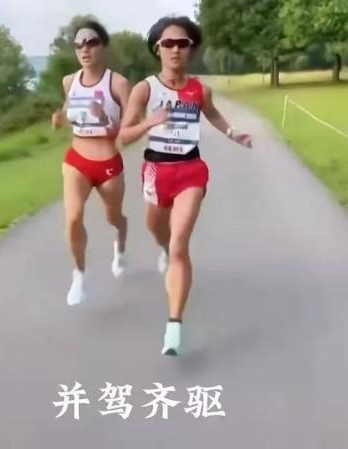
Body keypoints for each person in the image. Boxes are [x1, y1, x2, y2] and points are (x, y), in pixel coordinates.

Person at [118, 16, 252, 355]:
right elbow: (124, 136)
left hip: (191, 171)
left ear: (191, 49)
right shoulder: (145, 89)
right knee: (156, 228)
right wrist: (151, 121)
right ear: (157, 49)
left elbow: (213, 114)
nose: (176, 49)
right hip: (156, 171)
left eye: (183, 43)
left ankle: (174, 326)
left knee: (180, 245)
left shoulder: (199, 91)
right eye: (169, 43)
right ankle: (165, 250)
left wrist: (233, 133)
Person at [51, 20, 132, 306]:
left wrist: (105, 119)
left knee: (114, 218)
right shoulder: (69, 81)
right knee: (73, 219)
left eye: (91, 42)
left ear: (103, 47)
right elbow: (68, 111)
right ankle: (79, 277)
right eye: (78, 44)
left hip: (108, 163)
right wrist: (59, 119)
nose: (84, 49)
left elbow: (129, 132)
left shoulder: (118, 84)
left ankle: (120, 244)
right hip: (77, 160)